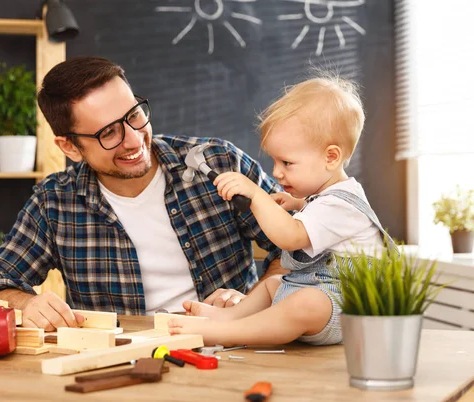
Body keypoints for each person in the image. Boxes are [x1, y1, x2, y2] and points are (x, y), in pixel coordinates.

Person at [0, 56, 282, 331]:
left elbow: (304, 245)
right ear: (70, 148)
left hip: (233, 350)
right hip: (118, 366)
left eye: (134, 115)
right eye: (108, 133)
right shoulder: (54, 202)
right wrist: (26, 304)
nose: (134, 140)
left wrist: (252, 302)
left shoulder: (217, 163)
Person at [168, 75, 398, 346]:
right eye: (275, 161)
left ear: (331, 157)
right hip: (323, 290)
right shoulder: (329, 198)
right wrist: (299, 204)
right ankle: (227, 318)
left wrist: (256, 195)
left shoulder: (341, 204)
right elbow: (320, 216)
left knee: (306, 303)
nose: (276, 172)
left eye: (287, 163)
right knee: (272, 283)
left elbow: (290, 237)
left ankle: (225, 334)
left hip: (347, 307)